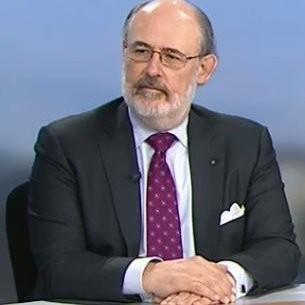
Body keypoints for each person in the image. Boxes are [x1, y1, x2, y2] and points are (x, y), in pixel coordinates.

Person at [28, 1, 300, 304]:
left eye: (171, 56)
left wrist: (219, 281)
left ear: (204, 69)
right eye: (141, 51)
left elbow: (280, 250)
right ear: (124, 54)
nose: (153, 70)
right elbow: (58, 267)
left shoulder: (245, 142)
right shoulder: (67, 144)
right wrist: (152, 277)